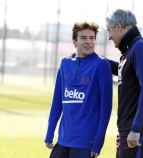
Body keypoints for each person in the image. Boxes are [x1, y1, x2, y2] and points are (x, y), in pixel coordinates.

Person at [44, 22, 113, 158]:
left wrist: (98, 142)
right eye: (83, 38)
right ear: (75, 41)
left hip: (86, 143)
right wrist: (50, 131)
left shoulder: (101, 65)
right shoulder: (65, 64)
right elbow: (57, 102)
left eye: (92, 38)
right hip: (63, 140)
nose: (89, 42)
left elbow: (106, 109)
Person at [106, 9, 143, 158]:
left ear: (119, 26)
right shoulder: (131, 51)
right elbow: (125, 72)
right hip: (128, 130)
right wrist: (99, 61)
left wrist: (136, 129)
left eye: (109, 30)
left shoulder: (140, 48)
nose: (109, 37)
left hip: (137, 133)